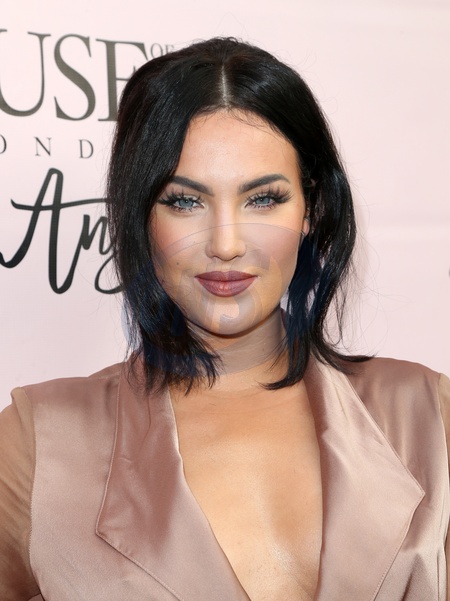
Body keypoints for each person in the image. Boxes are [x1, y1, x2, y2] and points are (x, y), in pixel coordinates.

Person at [0, 37, 449, 601]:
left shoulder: (428, 417)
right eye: (184, 201)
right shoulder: (38, 445)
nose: (227, 244)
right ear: (141, 216)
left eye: (263, 198)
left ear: (311, 209)